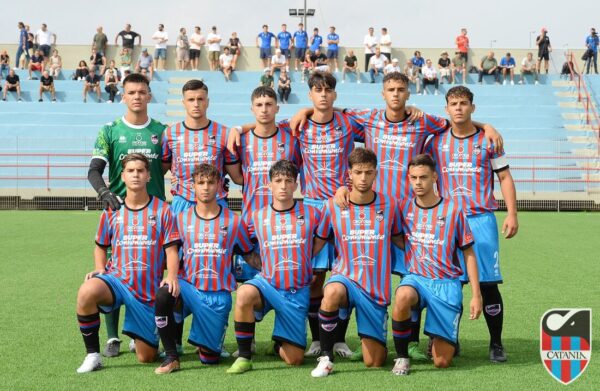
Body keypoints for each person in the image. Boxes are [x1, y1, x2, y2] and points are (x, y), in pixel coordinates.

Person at [425, 86, 518, 363]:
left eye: (464, 103)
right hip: (446, 222)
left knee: (488, 285)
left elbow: (504, 178)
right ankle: (446, 339)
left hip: (481, 221)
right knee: (446, 284)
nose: (458, 108)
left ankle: (497, 344)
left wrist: (512, 213)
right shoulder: (434, 142)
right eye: (453, 103)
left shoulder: (490, 142)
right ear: (446, 109)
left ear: (472, 108)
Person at [75, 153, 180, 373]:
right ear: (122, 176)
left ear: (148, 176)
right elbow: (101, 245)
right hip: (117, 281)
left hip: (146, 292)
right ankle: (93, 355)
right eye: (130, 171)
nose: (135, 175)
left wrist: (171, 276)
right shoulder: (112, 209)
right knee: (87, 291)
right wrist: (100, 269)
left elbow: (171, 250)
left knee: (146, 357)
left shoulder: (163, 210)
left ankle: (140, 337)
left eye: (140, 170)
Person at [87, 74, 168, 357]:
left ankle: (145, 331)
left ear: (149, 96)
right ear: (123, 96)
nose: (136, 97)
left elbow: (168, 167)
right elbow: (94, 170)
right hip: (119, 214)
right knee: (113, 270)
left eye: (142, 92)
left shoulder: (162, 131)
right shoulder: (109, 130)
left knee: (153, 272)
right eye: (131, 92)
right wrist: (104, 193)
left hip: (154, 215)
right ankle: (112, 337)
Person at [310, 148, 404, 377]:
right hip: (346, 278)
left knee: (375, 361)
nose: (363, 178)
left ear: (376, 174)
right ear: (349, 174)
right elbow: (319, 242)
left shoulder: (390, 204)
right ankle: (326, 357)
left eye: (368, 172)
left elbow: (400, 240)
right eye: (358, 172)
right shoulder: (333, 205)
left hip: (375, 290)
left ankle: (369, 340)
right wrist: (301, 265)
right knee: (330, 291)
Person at [153, 163, 254, 374]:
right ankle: (172, 354)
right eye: (201, 183)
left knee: (209, 359)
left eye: (210, 182)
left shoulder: (234, 221)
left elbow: (249, 255)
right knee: (165, 292)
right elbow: (168, 254)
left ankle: (209, 338)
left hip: (217, 296)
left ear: (219, 185)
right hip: (188, 287)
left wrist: (270, 272)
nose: (206, 187)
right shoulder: (180, 219)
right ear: (193, 186)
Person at [390, 153, 482, 376]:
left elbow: (468, 253)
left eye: (423, 177)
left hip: (446, 283)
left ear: (434, 178)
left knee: (442, 362)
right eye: (413, 178)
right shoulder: (403, 207)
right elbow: (392, 232)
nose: (418, 183)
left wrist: (476, 294)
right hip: (416, 279)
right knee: (402, 295)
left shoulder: (453, 210)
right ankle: (402, 357)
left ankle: (440, 333)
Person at [227, 160, 321, 374]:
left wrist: (312, 266)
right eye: (278, 181)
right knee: (244, 294)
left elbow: (324, 240)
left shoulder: (313, 213)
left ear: (296, 184)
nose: (283, 186)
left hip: (296, 291)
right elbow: (241, 244)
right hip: (267, 284)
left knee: (294, 359)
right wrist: (258, 264)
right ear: (269, 184)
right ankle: (244, 356)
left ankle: (279, 342)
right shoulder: (256, 216)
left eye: (288, 181)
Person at [161, 79, 242, 216]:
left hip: (216, 201)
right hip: (182, 201)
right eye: (191, 99)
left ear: (208, 102)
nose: (196, 104)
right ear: (184, 103)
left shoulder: (224, 133)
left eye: (200, 99)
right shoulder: (169, 134)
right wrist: (178, 177)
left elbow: (237, 176)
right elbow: (161, 170)